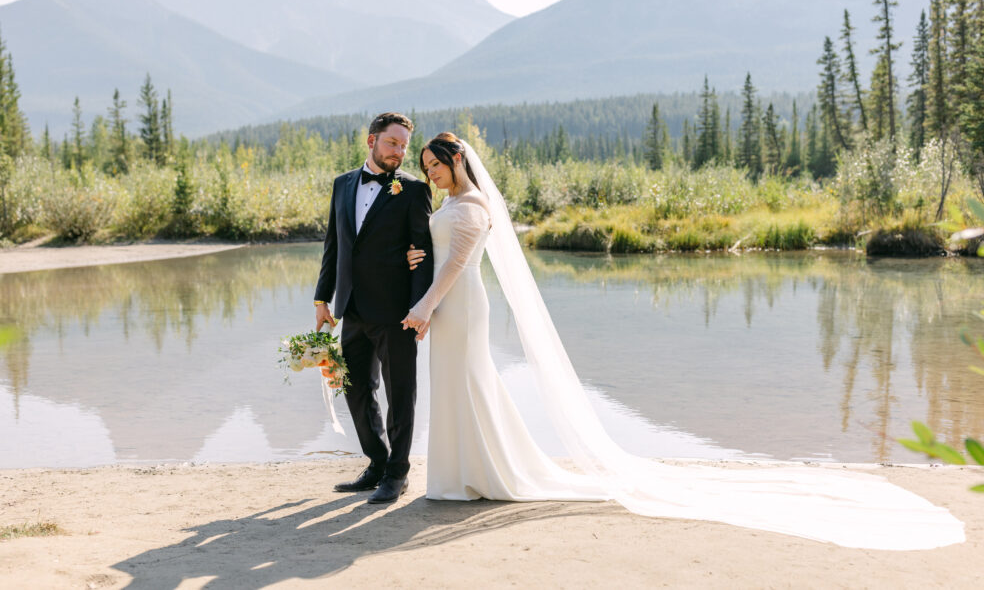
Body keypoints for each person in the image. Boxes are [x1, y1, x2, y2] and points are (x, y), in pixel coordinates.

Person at [400, 132, 965, 550]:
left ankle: (479, 473)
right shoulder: (448, 206)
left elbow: (458, 267)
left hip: (461, 305)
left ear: (457, 162)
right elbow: (439, 257)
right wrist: (416, 261)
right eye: (426, 168)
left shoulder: (472, 206)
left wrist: (425, 304)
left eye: (437, 165)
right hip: (447, 305)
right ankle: (460, 471)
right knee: (458, 384)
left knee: (468, 381)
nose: (433, 174)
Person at [314, 112, 433, 505]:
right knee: (354, 387)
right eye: (392, 143)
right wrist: (322, 299)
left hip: (397, 312)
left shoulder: (414, 190)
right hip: (351, 309)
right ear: (371, 141)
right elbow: (334, 246)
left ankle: (398, 473)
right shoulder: (342, 184)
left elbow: (423, 254)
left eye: (403, 145)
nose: (399, 151)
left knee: (401, 394)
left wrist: (419, 309)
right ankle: (377, 462)